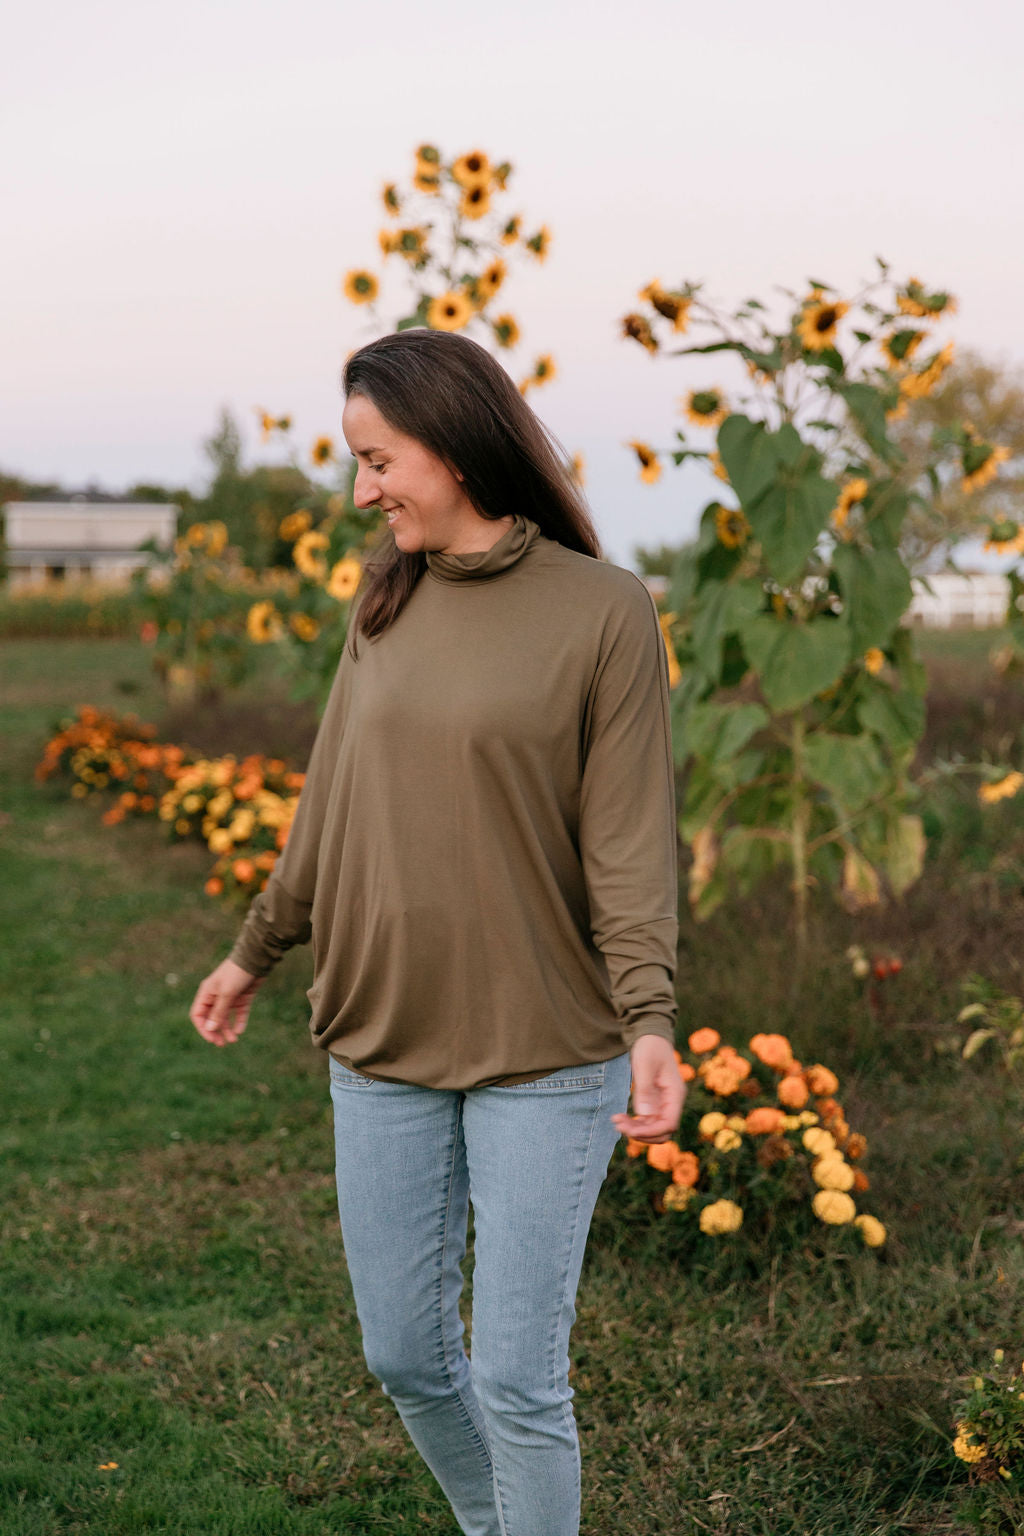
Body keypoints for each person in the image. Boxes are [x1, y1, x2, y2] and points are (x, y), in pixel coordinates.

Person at [189, 327, 685, 1536]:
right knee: (406, 1356)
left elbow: (627, 842)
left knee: (518, 1379)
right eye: (356, 464)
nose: (363, 490)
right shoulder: (386, 599)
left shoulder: (604, 612)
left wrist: (650, 1017)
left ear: (456, 447)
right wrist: (256, 949)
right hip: (381, 1034)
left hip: (546, 1050)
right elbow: (330, 803)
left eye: (378, 460)